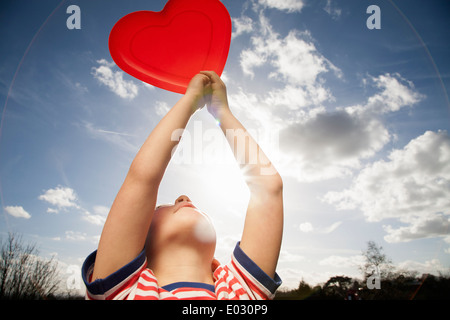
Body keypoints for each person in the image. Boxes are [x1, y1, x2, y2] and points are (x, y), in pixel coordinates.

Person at [82, 71, 284, 300]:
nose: (184, 198)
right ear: (137, 242)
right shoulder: (122, 291)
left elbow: (268, 187)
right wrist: (189, 101)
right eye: (160, 206)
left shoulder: (236, 289)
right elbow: (142, 179)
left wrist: (222, 112)